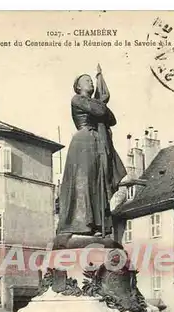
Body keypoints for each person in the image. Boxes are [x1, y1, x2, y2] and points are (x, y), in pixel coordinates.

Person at [57, 66, 126, 237]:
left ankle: (97, 224)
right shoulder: (77, 99)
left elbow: (112, 119)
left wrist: (101, 102)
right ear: (78, 86)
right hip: (83, 141)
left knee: (98, 182)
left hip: (96, 142)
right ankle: (81, 223)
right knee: (85, 181)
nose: (91, 83)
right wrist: (102, 101)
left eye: (91, 80)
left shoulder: (93, 102)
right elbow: (101, 111)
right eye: (87, 80)